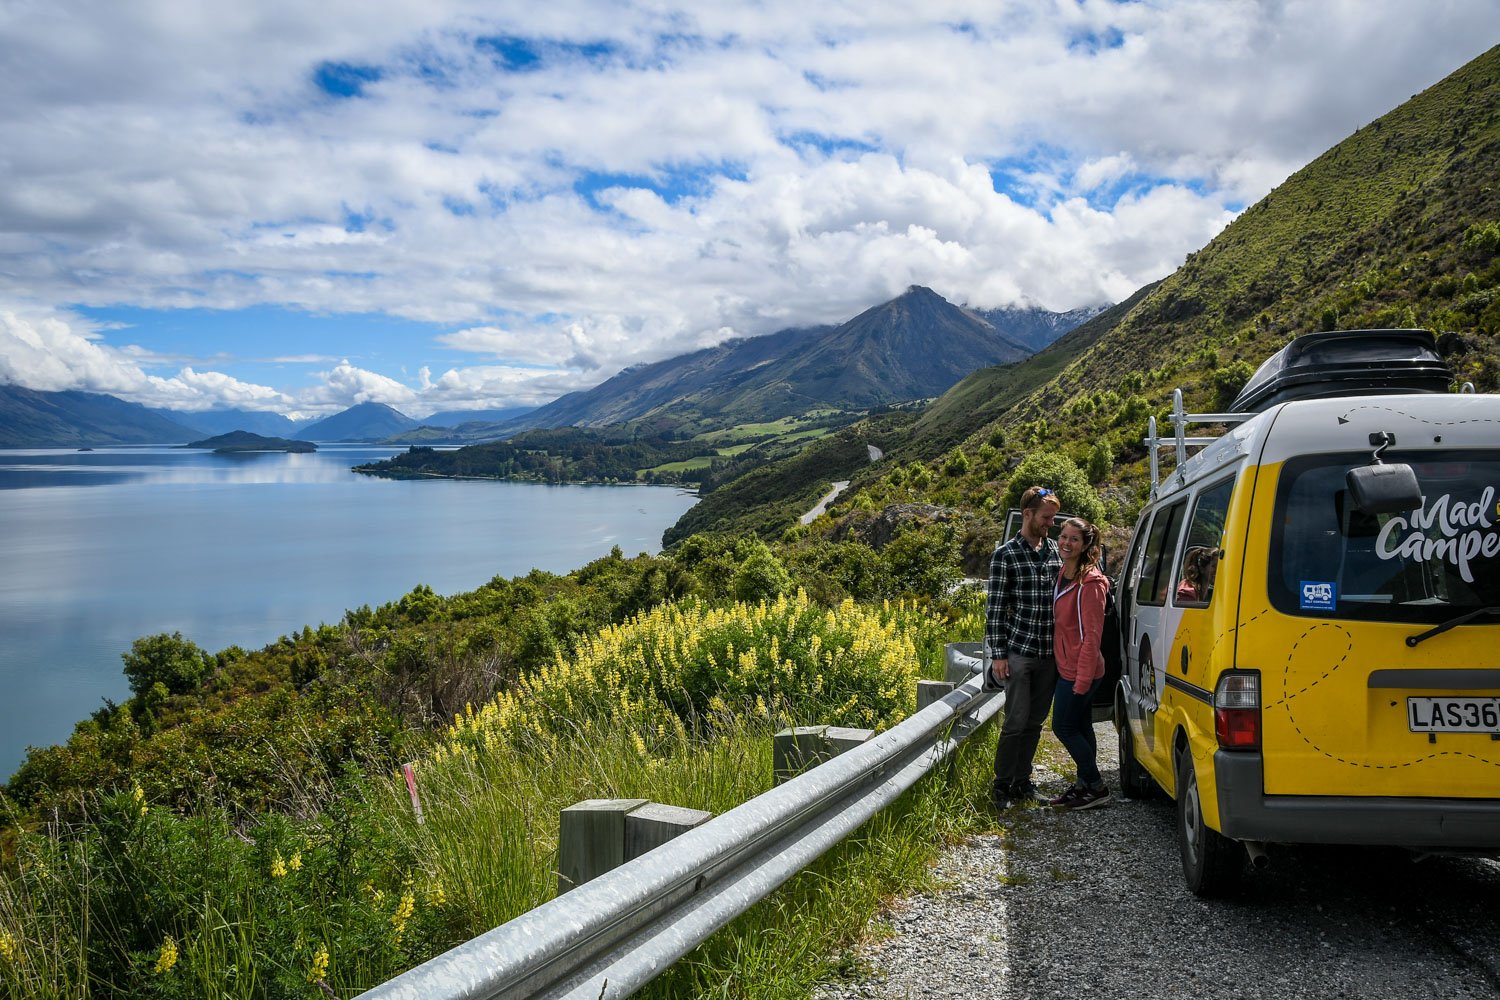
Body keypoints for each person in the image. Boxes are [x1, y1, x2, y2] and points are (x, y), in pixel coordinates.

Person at [986, 485, 1062, 808]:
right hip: (1019, 652)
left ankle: (1022, 782)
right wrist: (999, 655)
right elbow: (995, 609)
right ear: (1027, 514)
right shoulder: (1005, 555)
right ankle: (1001, 786)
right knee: (1015, 720)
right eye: (1046, 517)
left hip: (1049, 655)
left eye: (1053, 518)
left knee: (1035, 722)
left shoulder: (1057, 551)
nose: (1050, 524)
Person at [1049, 516, 1112, 810]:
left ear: (1086, 544)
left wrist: (1082, 680)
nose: (1066, 543)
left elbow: (1092, 636)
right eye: (1063, 536)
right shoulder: (1065, 571)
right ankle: (1083, 786)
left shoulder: (1091, 582)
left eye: (1074, 539)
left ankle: (1097, 786)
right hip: (1069, 666)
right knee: (1081, 725)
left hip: (1080, 670)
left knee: (1062, 726)